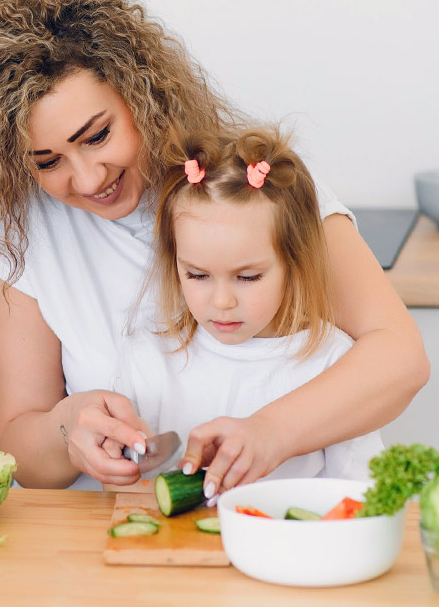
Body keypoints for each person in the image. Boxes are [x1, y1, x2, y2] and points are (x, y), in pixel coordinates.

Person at [0, 0, 428, 490]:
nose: (87, 178)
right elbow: (22, 446)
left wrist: (272, 433)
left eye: (98, 135)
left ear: (140, 93)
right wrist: (69, 428)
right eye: (47, 161)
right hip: (103, 535)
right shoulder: (17, 233)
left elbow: (400, 358)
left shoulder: (247, 186)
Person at [112, 127, 384, 498]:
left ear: (294, 263)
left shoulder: (332, 363)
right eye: (197, 275)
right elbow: (126, 492)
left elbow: (362, 496)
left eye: (247, 277)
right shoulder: (147, 359)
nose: (221, 301)